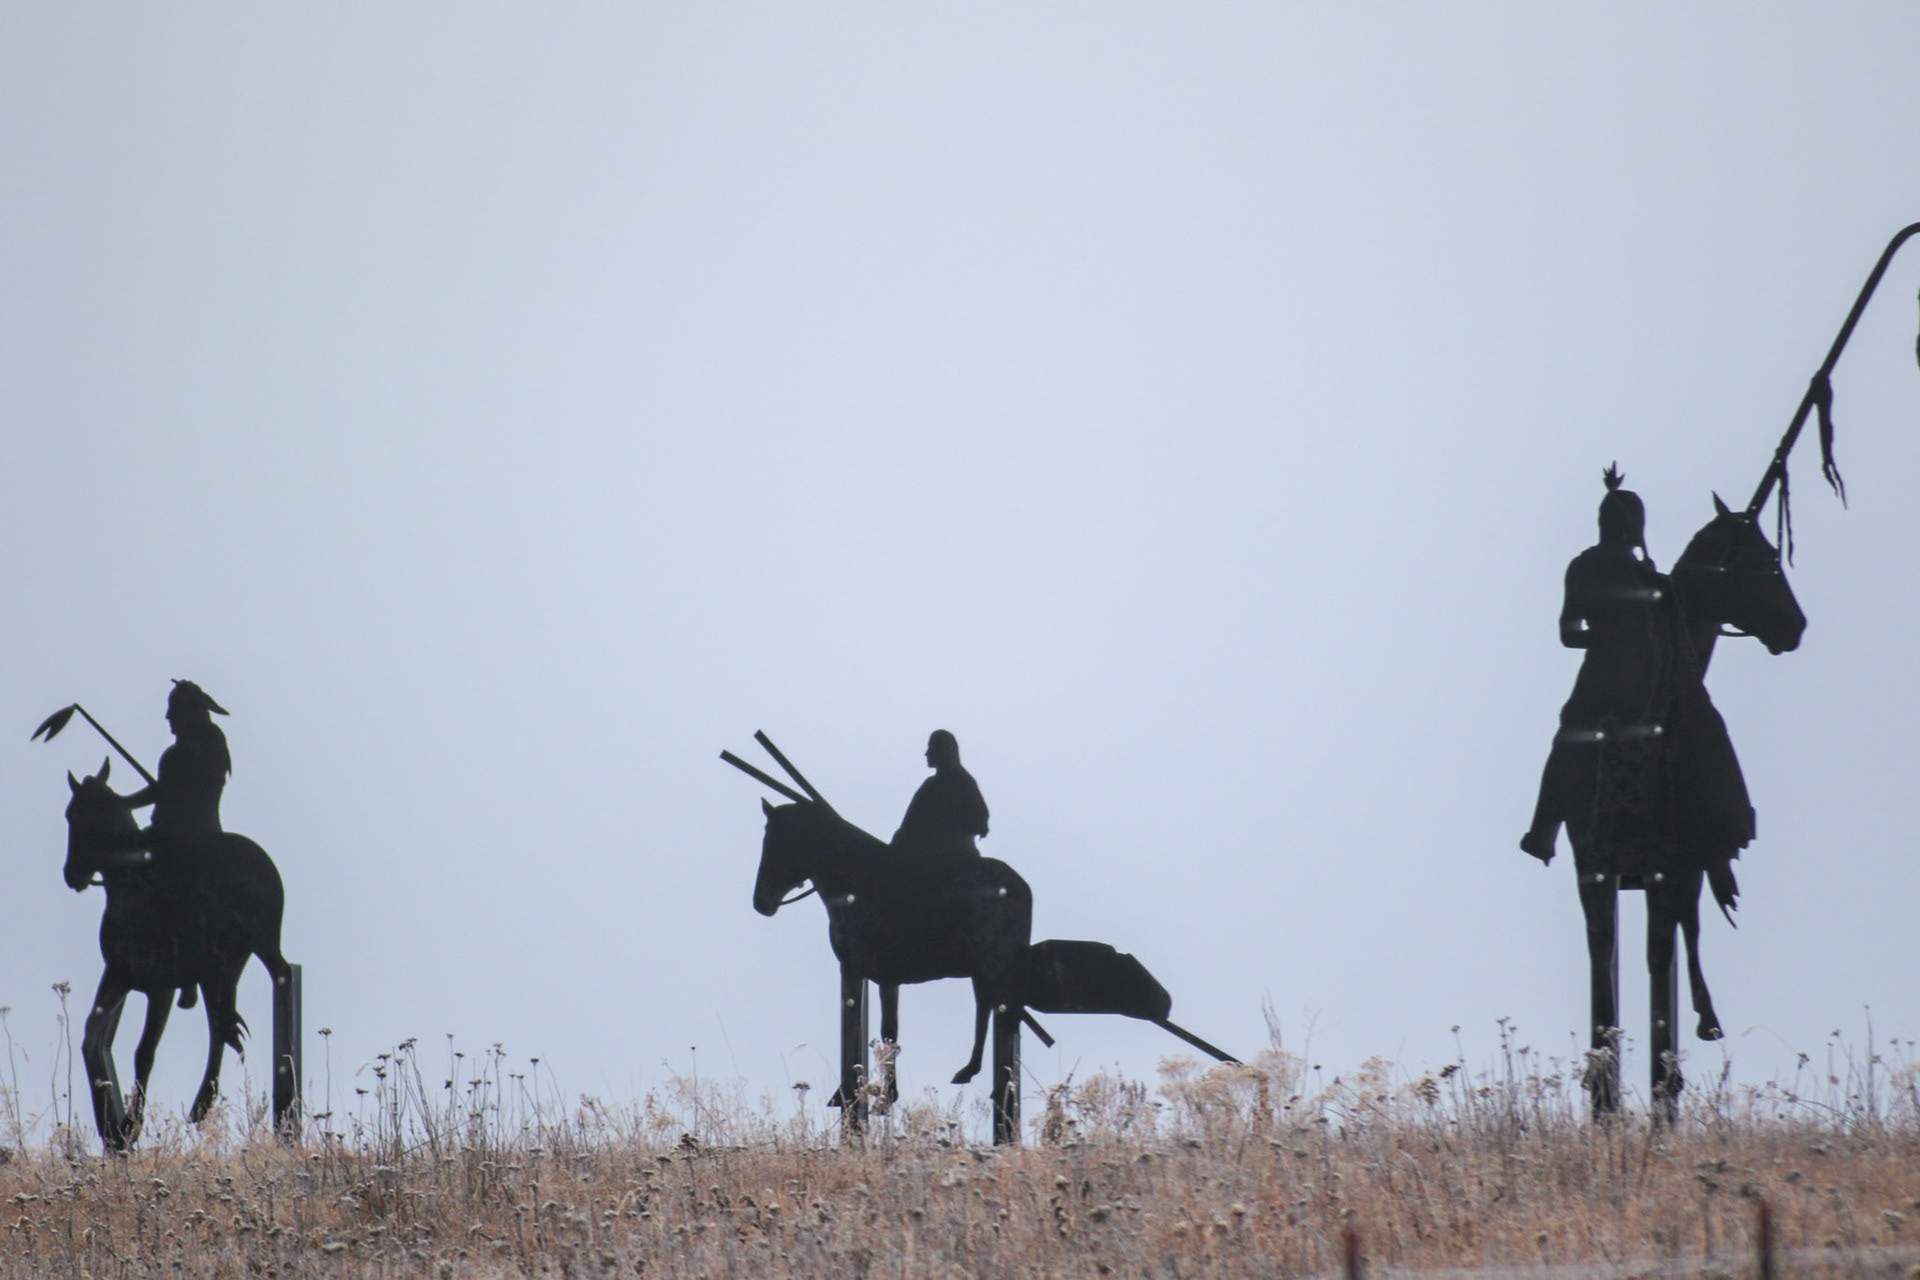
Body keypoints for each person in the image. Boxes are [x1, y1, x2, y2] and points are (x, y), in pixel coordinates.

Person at [1520, 467, 1673, 864]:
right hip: (1621, 679)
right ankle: (1545, 832)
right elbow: (1569, 632)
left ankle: (1543, 831)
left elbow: (1571, 632)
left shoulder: (1632, 572)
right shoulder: (1620, 571)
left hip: (1628, 675)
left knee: (1570, 741)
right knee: (1571, 738)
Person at [123, 679, 233, 848]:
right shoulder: (182, 752)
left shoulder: (191, 752)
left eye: (175, 710)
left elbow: (164, 792)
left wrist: (123, 803)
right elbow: (163, 791)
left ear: (190, 712)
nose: (168, 716)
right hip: (171, 831)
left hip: (179, 835)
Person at [892, 730, 989, 858]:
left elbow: (907, 829)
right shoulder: (940, 783)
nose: (926, 753)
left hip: (945, 855)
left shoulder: (947, 784)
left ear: (941, 750)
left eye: (931, 748)